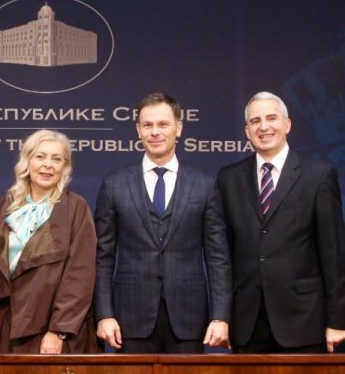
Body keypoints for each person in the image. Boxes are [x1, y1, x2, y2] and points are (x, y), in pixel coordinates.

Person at [93, 92, 231, 353]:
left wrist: (220, 316)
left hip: (189, 318)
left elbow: (218, 257)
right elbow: (103, 256)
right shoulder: (114, 184)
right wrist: (104, 313)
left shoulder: (204, 184)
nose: (155, 132)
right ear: (138, 130)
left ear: (178, 128)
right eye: (147, 125)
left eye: (163, 124)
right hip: (129, 318)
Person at [217, 91, 345, 353]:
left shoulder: (319, 175)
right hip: (247, 324)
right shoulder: (228, 179)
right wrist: (224, 318)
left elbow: (334, 255)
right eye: (255, 121)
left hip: (304, 322)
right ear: (247, 131)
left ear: (287, 125)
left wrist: (337, 321)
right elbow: (223, 256)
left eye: (271, 118)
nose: (263, 127)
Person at [0, 129, 98, 354]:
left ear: (65, 166)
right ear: (27, 161)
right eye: (40, 156)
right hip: (6, 328)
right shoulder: (6, 205)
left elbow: (80, 275)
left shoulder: (76, 208)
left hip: (50, 333)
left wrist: (58, 331)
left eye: (57, 159)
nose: (47, 165)